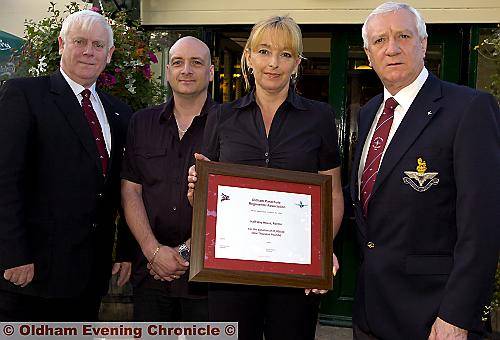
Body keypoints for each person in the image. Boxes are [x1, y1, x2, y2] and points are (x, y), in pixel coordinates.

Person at [187, 16, 344, 340]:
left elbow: (333, 194)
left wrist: (321, 249)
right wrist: (198, 194)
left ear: (297, 63)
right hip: (231, 271)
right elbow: (210, 193)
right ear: (248, 57)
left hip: (295, 272)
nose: (273, 63)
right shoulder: (222, 117)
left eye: (285, 54)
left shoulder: (319, 118)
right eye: (264, 51)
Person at [350, 2, 500, 339]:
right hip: (370, 312)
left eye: (403, 35)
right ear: (368, 54)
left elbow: (483, 225)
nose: (391, 48)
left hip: (433, 315)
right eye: (379, 41)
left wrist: (457, 316)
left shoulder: (469, 109)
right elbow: (368, 206)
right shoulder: (370, 111)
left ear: (423, 43)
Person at [0, 10, 132, 321]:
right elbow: (5, 181)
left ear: (109, 54)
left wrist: (125, 251)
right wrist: (14, 254)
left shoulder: (119, 112)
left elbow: (124, 187)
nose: (89, 51)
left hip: (89, 276)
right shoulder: (24, 95)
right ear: (61, 44)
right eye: (80, 42)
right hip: (31, 275)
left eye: (98, 45)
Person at [121, 36, 217, 321]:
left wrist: (184, 253)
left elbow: (233, 201)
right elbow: (130, 192)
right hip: (150, 274)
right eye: (178, 62)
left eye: (196, 63)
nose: (186, 69)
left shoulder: (230, 124)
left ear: (210, 72)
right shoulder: (141, 122)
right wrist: (153, 252)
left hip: (207, 278)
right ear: (168, 71)